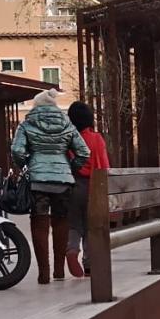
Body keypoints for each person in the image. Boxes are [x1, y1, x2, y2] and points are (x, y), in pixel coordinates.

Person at [11, 90, 90, 283]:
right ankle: (59, 271)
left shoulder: (27, 123)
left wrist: (27, 165)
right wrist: (69, 168)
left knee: (39, 222)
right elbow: (84, 152)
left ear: (37, 105)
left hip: (38, 180)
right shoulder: (67, 124)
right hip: (63, 181)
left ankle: (43, 273)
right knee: (61, 221)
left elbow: (16, 150)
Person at [65, 100, 109, 278]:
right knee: (91, 227)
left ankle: (72, 250)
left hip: (74, 185)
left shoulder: (69, 140)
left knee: (74, 224)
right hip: (94, 186)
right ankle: (90, 265)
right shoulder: (97, 139)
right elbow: (105, 165)